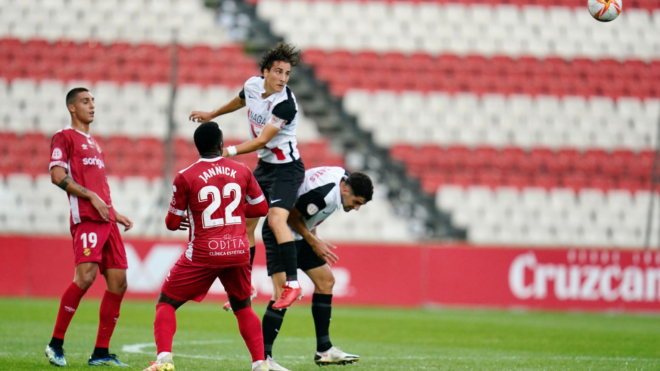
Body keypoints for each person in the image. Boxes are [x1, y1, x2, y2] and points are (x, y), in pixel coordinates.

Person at [142, 122, 269, 371]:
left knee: (166, 302)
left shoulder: (185, 175)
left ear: (197, 147)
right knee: (243, 307)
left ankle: (164, 361)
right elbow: (262, 208)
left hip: (205, 251)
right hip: (237, 249)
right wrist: (233, 213)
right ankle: (260, 364)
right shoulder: (242, 170)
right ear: (221, 145)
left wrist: (186, 218)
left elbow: (171, 223)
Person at [189, 42, 305, 310]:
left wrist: (226, 151)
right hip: (265, 169)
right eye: (278, 72)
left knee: (276, 221)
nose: (283, 78)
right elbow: (241, 100)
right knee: (245, 225)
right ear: (265, 71)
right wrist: (212, 114)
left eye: (287, 74)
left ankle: (293, 284)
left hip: (287, 169)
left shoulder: (285, 103)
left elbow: (262, 140)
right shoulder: (253, 84)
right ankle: (245, 286)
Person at [45, 87, 133, 367]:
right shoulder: (64, 136)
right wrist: (90, 197)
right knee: (85, 277)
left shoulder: (95, 144)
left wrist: (114, 212)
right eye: (85, 101)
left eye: (93, 101)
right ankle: (55, 344)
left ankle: (101, 353)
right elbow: (57, 175)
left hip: (106, 220)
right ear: (72, 107)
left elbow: (99, 188)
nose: (92, 105)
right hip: (87, 218)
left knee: (119, 283)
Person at [262, 166, 373, 370]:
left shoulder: (343, 177)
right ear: (346, 189)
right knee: (281, 294)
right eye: (356, 202)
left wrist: (313, 236)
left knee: (326, 281)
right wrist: (313, 241)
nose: (356, 208)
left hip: (300, 232)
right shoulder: (326, 195)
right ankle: (263, 360)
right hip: (281, 232)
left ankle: (324, 349)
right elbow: (293, 217)